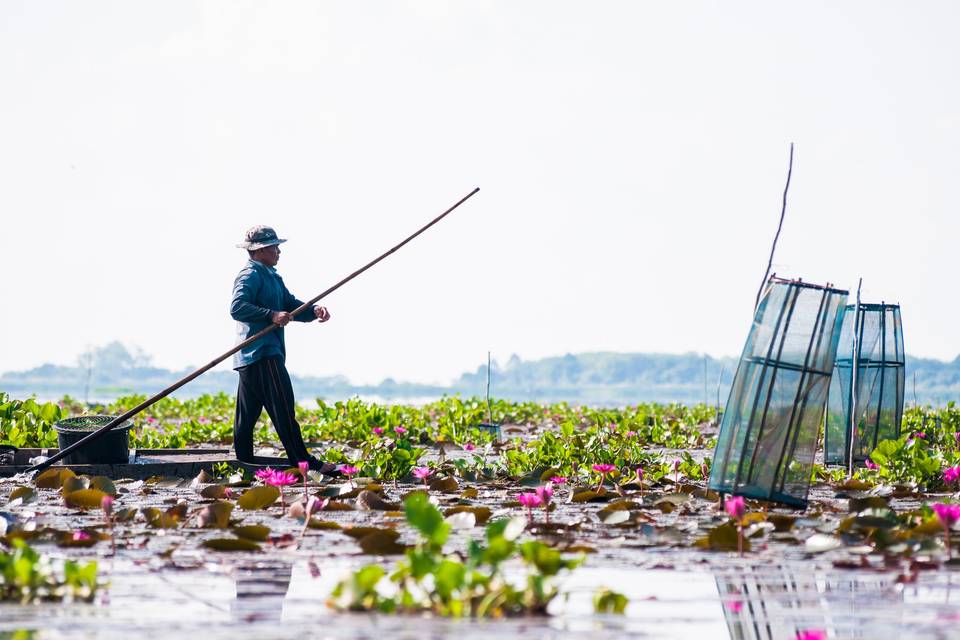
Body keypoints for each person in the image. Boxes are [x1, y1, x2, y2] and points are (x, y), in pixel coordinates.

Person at [230, 225, 337, 474]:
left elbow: (288, 305)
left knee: (247, 417)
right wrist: (271, 315)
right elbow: (238, 307)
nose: (279, 251)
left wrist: (313, 311)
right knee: (283, 409)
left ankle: (243, 461)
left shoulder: (271, 276)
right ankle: (303, 463)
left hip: (254, 357)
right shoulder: (250, 275)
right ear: (260, 251)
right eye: (274, 247)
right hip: (261, 353)